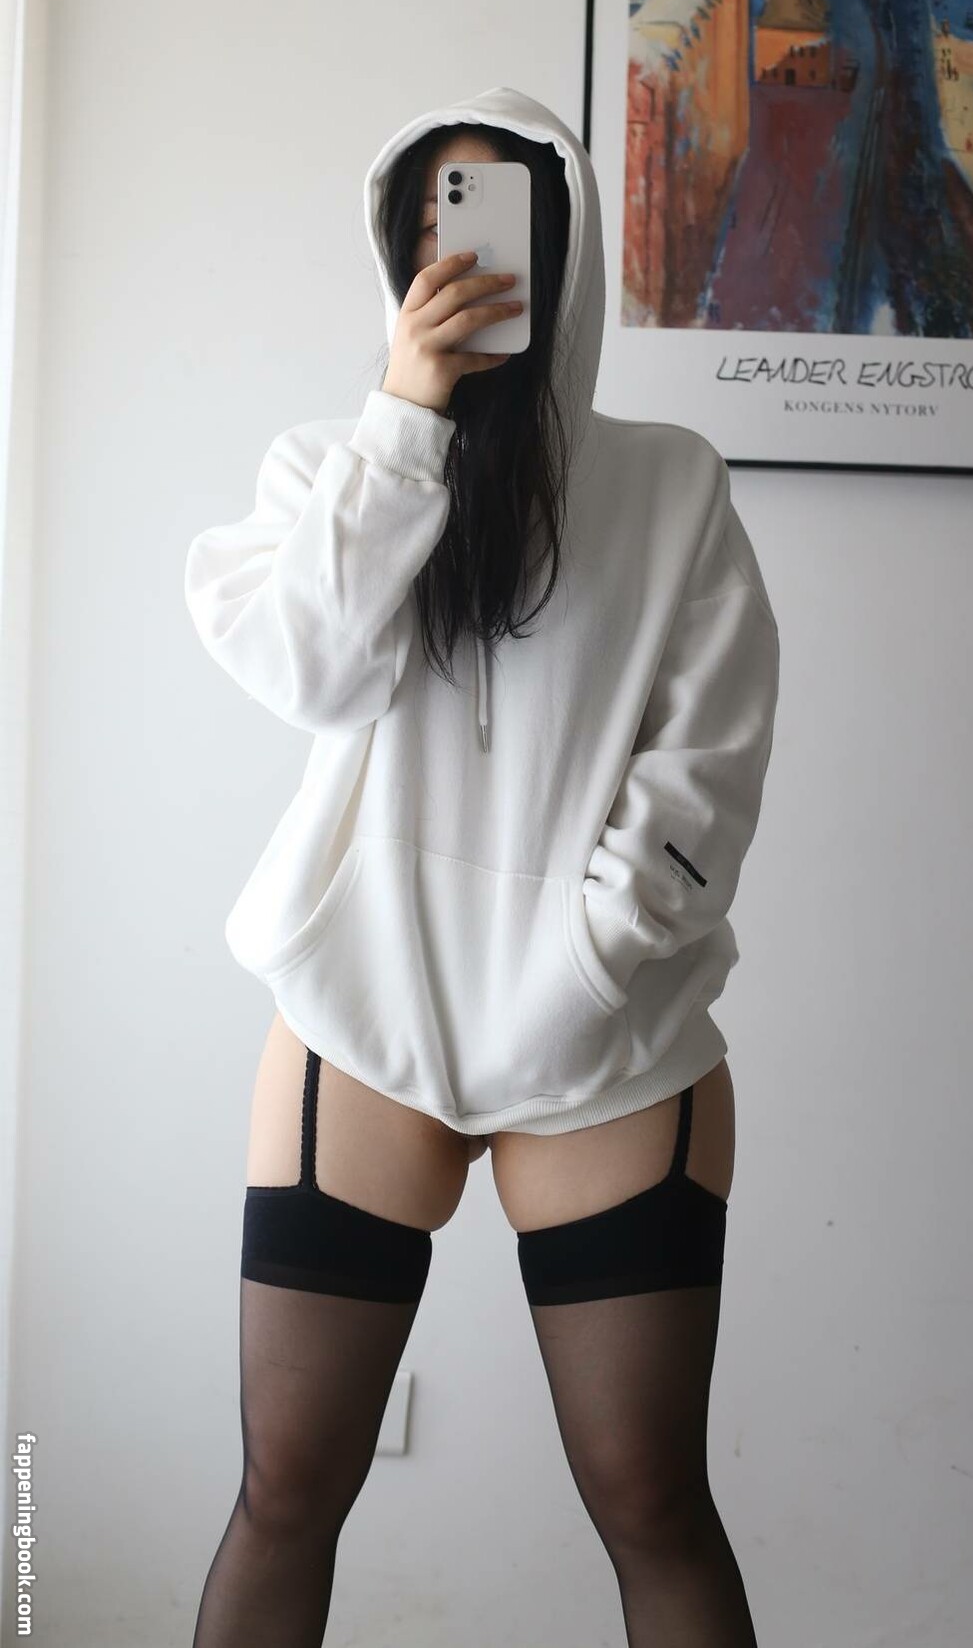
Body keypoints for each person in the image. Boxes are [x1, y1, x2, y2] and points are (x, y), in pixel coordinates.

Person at [184, 85, 781, 1647]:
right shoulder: (327, 471)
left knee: (649, 1500)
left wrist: (585, 964)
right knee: (286, 1488)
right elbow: (310, 673)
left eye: (501, 221)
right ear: (397, 251)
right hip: (361, 1014)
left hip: (606, 1036)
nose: (469, 257)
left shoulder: (670, 484)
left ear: (558, 247)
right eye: (437, 224)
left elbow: (706, 769)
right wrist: (404, 417)